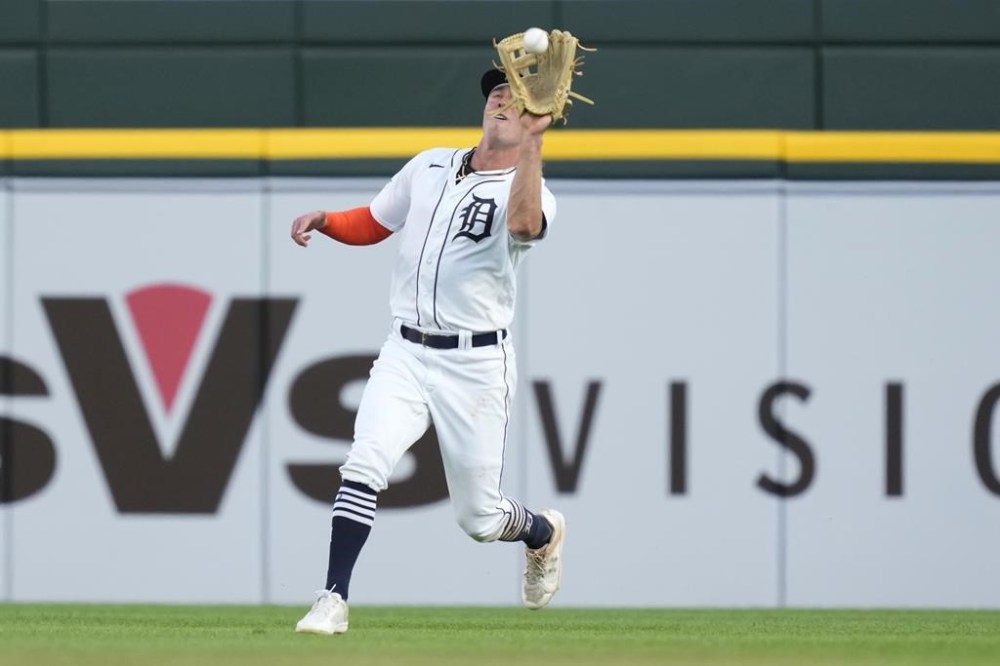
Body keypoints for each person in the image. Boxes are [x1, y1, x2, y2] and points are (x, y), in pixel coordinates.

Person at [290, 67, 566, 635]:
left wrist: (534, 142)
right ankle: (332, 599)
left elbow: (522, 223)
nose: (501, 98)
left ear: (535, 116)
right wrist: (327, 220)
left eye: (516, 96)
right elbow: (375, 221)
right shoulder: (431, 164)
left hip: (477, 363)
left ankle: (540, 533)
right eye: (496, 90)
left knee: (480, 518)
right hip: (406, 350)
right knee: (365, 460)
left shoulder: (532, 191)